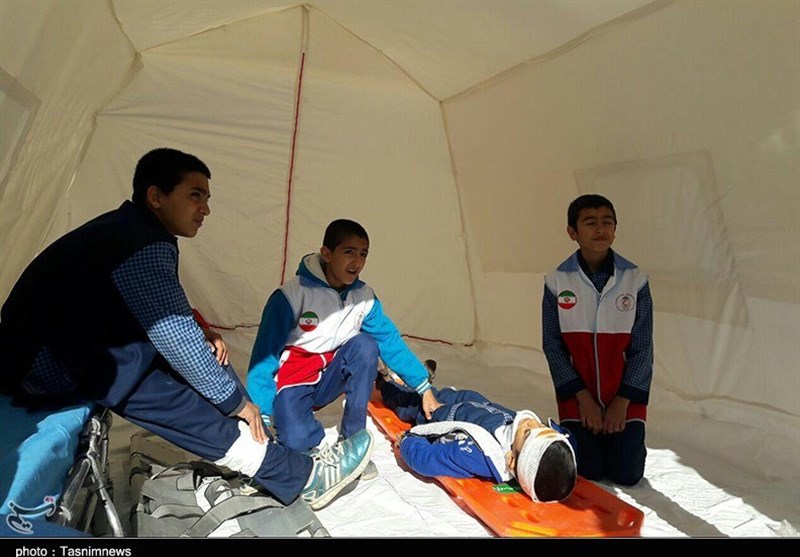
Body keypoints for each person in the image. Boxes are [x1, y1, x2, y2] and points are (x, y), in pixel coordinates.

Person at [0, 148, 373, 511]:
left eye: (207, 198)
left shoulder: (132, 230)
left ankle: (264, 452)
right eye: (195, 195)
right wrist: (235, 401)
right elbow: (173, 336)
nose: (206, 208)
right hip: (41, 370)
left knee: (206, 356)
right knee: (153, 385)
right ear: (156, 197)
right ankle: (301, 476)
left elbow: (154, 308)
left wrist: (203, 336)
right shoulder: (139, 241)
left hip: (69, 352)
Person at [247, 219, 441, 470]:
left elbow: (388, 340)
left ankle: (352, 441)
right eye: (349, 252)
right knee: (297, 443)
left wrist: (423, 387)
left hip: (329, 376)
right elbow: (264, 355)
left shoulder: (364, 297)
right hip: (294, 381)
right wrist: (260, 410)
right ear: (327, 254)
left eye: (363, 254)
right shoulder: (291, 295)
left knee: (365, 345)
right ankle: (301, 430)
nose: (357, 262)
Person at [541, 194, 653, 486]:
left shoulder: (635, 279)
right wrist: (584, 399)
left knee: (627, 475)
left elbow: (642, 349)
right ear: (572, 232)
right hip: (579, 399)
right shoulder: (556, 281)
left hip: (624, 398)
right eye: (590, 223)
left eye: (607, 222)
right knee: (587, 471)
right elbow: (552, 346)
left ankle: (620, 440)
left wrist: (621, 403)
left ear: (615, 228)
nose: (601, 229)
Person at [377, 367, 577, 503]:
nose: (531, 422)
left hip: (438, 413)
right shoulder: (523, 436)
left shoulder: (479, 453)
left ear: (511, 461)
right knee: (435, 392)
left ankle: (386, 381)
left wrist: (408, 442)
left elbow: (429, 460)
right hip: (474, 403)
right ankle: (420, 383)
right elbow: (567, 440)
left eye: (528, 432)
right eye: (541, 426)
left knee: (406, 403)